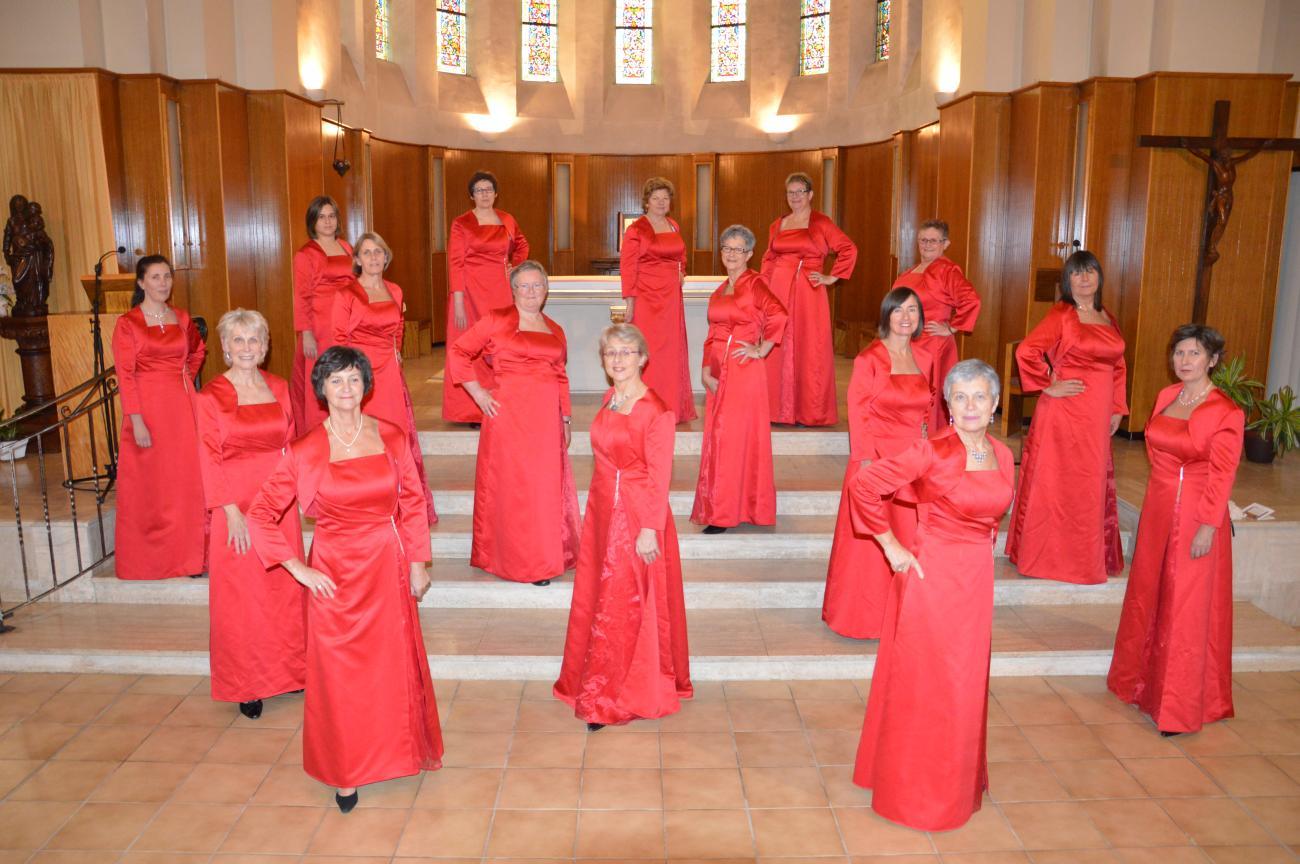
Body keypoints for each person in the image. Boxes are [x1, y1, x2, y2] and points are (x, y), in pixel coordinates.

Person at [245, 346, 442, 813]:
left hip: (386, 565)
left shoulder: (391, 437)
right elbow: (261, 514)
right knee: (340, 677)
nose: (347, 389)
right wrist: (298, 567)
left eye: (354, 379)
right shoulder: (305, 450)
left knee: (390, 668)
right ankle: (346, 771)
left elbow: (412, 503)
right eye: (336, 381)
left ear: (366, 385)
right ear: (321, 390)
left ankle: (397, 752)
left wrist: (418, 562)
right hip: (333, 572)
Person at [849, 359, 1015, 831]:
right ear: (946, 404)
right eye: (959, 397)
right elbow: (864, 487)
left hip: (976, 580)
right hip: (932, 577)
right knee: (931, 683)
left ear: (996, 404)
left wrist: (984, 547)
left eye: (980, 396)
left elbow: (991, 514)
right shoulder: (931, 451)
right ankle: (919, 792)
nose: (970, 406)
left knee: (964, 683)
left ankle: (956, 780)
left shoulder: (1003, 456)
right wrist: (892, 547)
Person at [1108, 324, 1243, 736]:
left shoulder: (1226, 411)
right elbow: (1155, 449)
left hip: (1197, 514)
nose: (1184, 361)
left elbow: (1222, 474)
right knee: (1148, 592)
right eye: (1180, 353)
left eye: (1194, 354)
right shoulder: (1168, 397)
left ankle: (1178, 707)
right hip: (1160, 507)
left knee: (1185, 605)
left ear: (1213, 361)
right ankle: (1137, 683)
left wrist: (1207, 525)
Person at [554, 324, 692, 728]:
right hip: (602, 509)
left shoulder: (655, 409)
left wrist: (649, 528)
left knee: (625, 603)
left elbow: (659, 473)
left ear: (643, 358)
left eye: (627, 352)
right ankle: (592, 677)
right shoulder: (610, 399)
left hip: (636, 514)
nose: (617, 359)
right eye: (610, 352)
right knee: (600, 597)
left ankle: (616, 691)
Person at [195, 309, 305, 720]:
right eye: (238, 341)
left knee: (283, 588)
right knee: (243, 598)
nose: (246, 348)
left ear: (265, 346)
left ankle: (291, 672)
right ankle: (247, 683)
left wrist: (295, 494)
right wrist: (230, 511)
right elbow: (207, 457)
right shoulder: (210, 397)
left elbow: (291, 445)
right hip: (235, 505)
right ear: (225, 348)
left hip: (279, 501)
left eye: (253, 340)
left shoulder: (278, 387)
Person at [449, 260, 580, 585]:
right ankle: (521, 560)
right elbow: (459, 351)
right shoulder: (497, 320)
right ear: (514, 290)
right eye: (525, 286)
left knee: (542, 487)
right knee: (514, 486)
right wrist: (478, 393)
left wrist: (565, 417)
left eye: (538, 286)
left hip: (545, 418)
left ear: (546, 290)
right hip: (508, 415)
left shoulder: (555, 329)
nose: (532, 292)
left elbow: (561, 376)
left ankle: (544, 553)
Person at [1005, 251, 1128, 585]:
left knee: (1089, 482)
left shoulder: (1107, 316)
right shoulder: (1062, 314)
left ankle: (1085, 555)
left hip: (1098, 413)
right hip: (1065, 411)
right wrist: (1049, 384)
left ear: (1099, 277)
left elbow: (1118, 366)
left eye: (1090, 272)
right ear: (1067, 280)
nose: (1085, 278)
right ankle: (1049, 556)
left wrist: (1118, 407)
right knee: (1055, 480)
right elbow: (1026, 350)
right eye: (1077, 273)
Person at [822, 288, 936, 639]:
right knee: (871, 545)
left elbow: (928, 412)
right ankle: (863, 617)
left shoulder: (926, 357)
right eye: (898, 310)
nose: (906, 317)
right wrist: (866, 462)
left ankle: (905, 615)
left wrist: (931, 455)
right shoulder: (869, 358)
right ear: (886, 315)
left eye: (913, 310)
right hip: (878, 460)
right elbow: (857, 412)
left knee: (909, 535)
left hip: (912, 460)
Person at [112, 254, 206, 580]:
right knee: (154, 486)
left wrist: (184, 376)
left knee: (186, 482)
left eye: (167, 276)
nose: (163, 283)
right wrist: (135, 418)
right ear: (141, 283)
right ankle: (154, 560)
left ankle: (191, 558)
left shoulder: (180, 317)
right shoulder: (128, 324)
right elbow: (125, 374)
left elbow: (198, 350)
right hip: (147, 411)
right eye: (155, 277)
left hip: (181, 408)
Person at [332, 232, 437, 524]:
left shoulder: (395, 289)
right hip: (358, 375)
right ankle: (367, 499)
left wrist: (396, 351)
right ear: (357, 260)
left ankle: (400, 499)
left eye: (379, 251)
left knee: (394, 434)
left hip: (389, 373)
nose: (374, 257)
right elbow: (339, 340)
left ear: (386, 256)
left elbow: (398, 327)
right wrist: (349, 379)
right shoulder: (346, 294)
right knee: (364, 436)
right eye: (367, 252)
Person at [690, 224, 787, 533]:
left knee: (733, 440)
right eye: (727, 248)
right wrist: (706, 369)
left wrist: (763, 348)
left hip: (744, 370)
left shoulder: (755, 283)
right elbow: (712, 333)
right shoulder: (720, 290)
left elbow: (779, 313)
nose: (731, 254)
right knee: (719, 441)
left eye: (738, 249)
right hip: (719, 371)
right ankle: (725, 505)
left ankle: (726, 513)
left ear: (749, 253)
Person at [760, 171, 858, 427]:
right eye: (790, 192)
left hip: (808, 291)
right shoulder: (778, 224)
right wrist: (763, 292)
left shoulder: (821, 222)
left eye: (800, 192)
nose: (795, 197)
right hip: (778, 288)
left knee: (809, 345)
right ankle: (777, 410)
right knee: (777, 342)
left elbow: (848, 248)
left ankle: (809, 411)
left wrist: (832, 277)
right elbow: (768, 259)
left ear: (810, 195)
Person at [443, 170, 530, 423]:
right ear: (471, 195)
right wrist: (457, 299)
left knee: (499, 343)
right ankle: (471, 408)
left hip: (500, 290)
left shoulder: (507, 219)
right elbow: (455, 262)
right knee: (472, 345)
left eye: (488, 190)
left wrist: (515, 265)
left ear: (496, 194)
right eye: (479, 190)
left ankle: (502, 400)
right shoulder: (462, 223)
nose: (484, 194)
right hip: (469, 293)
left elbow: (522, 245)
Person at [891, 219, 980, 430]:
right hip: (907, 341)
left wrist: (951, 327)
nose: (927, 245)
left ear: (945, 244)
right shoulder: (911, 270)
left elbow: (971, 300)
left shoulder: (947, 270)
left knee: (928, 397)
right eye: (923, 240)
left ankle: (930, 443)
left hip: (932, 345)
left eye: (933, 240)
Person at [620, 176, 696, 422]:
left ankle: (671, 405)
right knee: (648, 350)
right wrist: (630, 302)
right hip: (647, 298)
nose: (662, 202)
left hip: (672, 298)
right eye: (656, 198)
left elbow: (681, 255)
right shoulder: (636, 229)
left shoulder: (673, 225)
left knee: (671, 352)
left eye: (665, 198)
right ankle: (646, 407)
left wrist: (682, 271)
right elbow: (628, 267)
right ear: (646, 202)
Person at [292, 196, 353, 431]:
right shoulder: (305, 254)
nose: (327, 221)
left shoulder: (347, 247)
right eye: (321, 217)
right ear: (313, 221)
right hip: (320, 326)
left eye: (331, 216)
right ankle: (320, 431)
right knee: (325, 377)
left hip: (346, 320)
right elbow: (302, 296)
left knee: (346, 372)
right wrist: (305, 332)